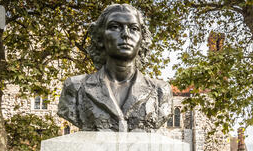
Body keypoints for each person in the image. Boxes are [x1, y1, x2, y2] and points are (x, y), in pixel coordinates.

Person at [57, 4, 172, 132]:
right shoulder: (75, 87)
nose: (125, 35)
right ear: (100, 38)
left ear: (142, 39)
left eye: (134, 28)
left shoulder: (161, 91)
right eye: (115, 27)